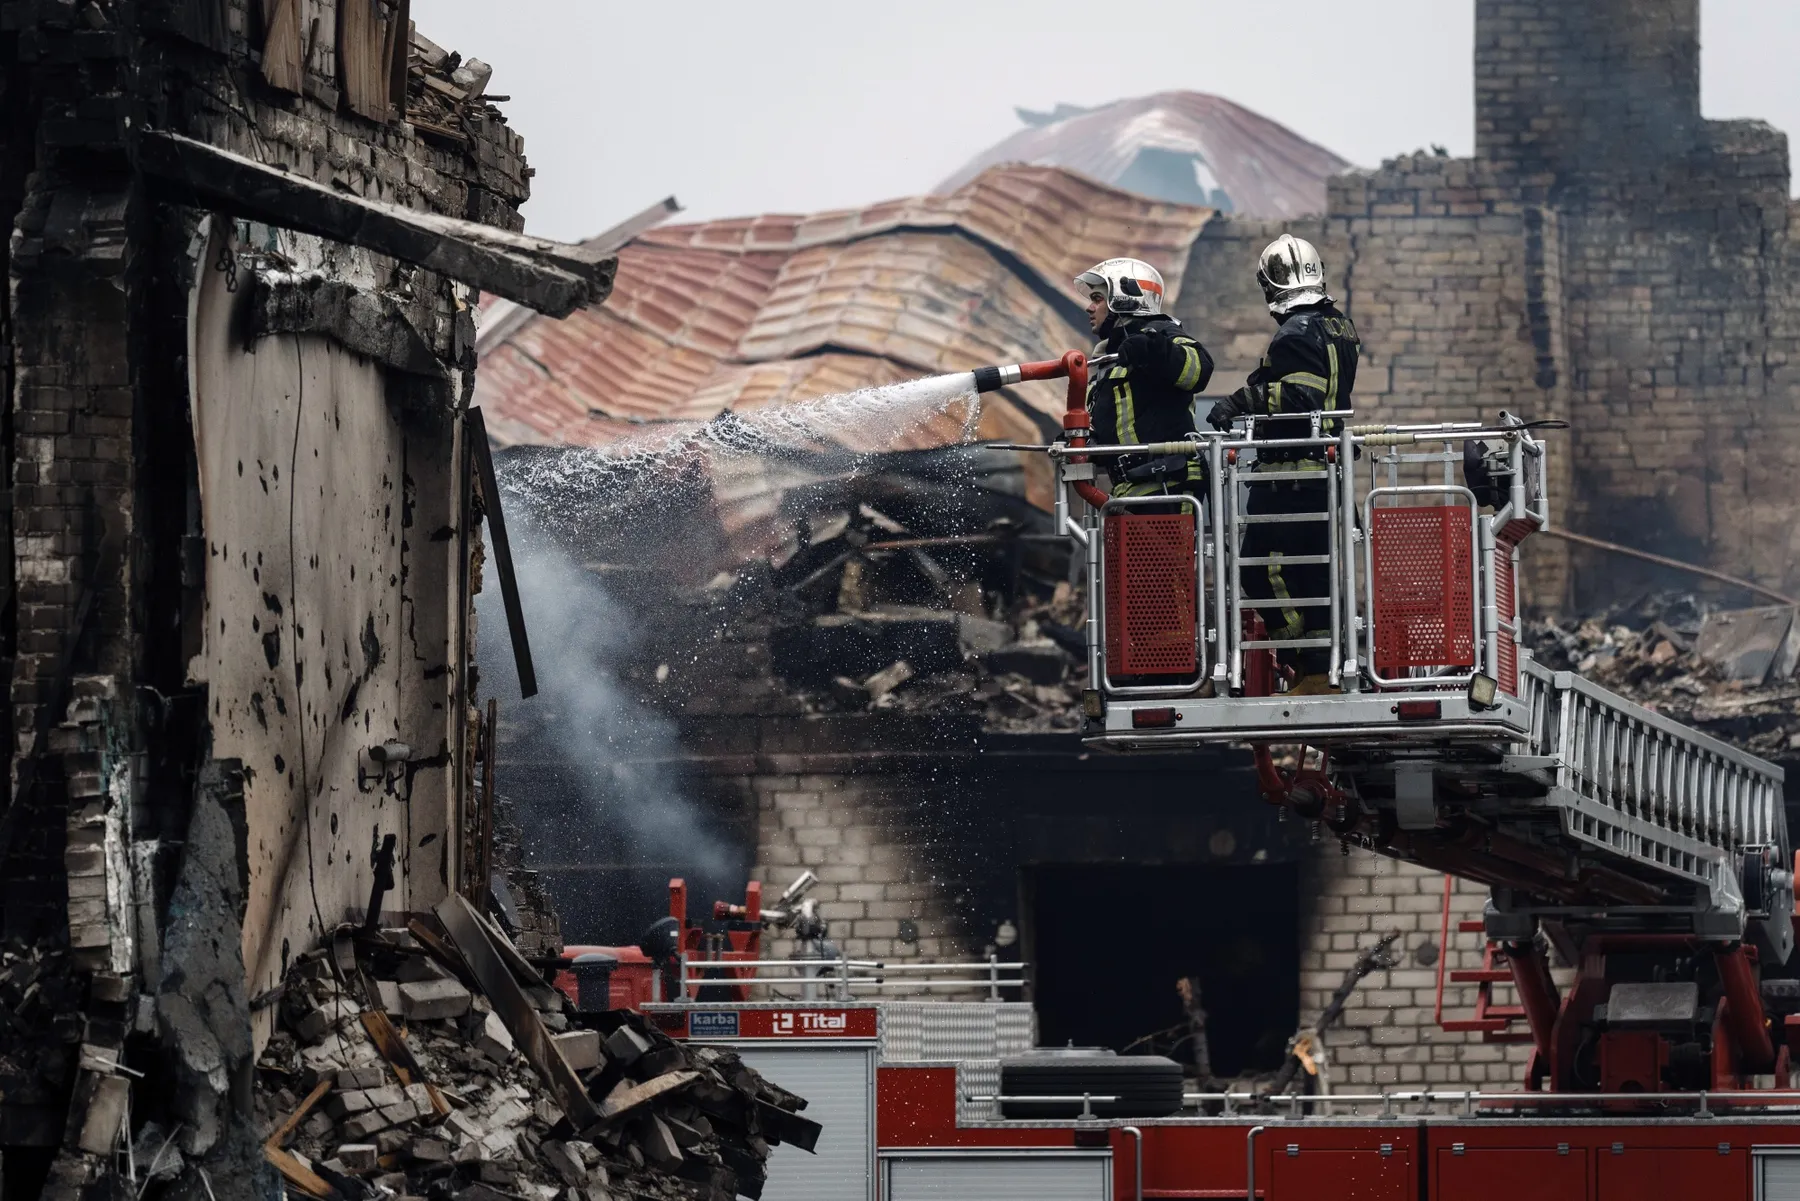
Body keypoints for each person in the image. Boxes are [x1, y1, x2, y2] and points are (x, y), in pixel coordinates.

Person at [1208, 235, 1361, 693]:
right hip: (1322, 474)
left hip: (1291, 475)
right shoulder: (1339, 327)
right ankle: (1317, 668)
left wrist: (1240, 400)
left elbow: (1300, 397)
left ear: (1270, 286)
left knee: (1260, 568)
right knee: (1310, 573)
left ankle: (1305, 660)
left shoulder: (1295, 332)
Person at [1074, 258, 1214, 497]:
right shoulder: (1108, 360)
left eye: (1097, 299)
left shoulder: (1161, 332)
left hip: (1169, 483)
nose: (1089, 308)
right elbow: (1116, 427)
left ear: (1123, 299)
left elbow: (1199, 371)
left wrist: (1155, 350)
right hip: (1130, 487)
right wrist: (1081, 440)